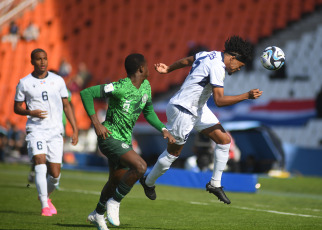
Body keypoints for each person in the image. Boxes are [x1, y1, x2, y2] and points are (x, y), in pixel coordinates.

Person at [140, 35, 263, 204]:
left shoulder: (209, 54)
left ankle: (215, 184)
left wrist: (169, 69)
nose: (238, 69)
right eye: (239, 66)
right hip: (183, 109)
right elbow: (219, 101)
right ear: (233, 58)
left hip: (198, 108)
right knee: (172, 154)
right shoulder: (218, 68)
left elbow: (187, 61)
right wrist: (246, 95)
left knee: (224, 140)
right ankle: (148, 182)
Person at [80, 53, 175, 230]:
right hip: (109, 137)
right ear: (141, 69)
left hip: (124, 140)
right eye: (146, 66)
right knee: (140, 166)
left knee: (115, 180)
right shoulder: (119, 86)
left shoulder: (146, 86)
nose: (149, 69)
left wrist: (163, 129)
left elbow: (148, 112)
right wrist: (96, 123)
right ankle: (115, 202)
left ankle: (98, 214)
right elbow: (87, 93)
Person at [14, 48, 79, 216]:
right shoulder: (24, 83)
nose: (42, 62)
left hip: (55, 131)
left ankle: (46, 196)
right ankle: (44, 204)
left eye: (44, 59)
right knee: (39, 162)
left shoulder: (58, 81)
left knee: (55, 175)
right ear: (32, 61)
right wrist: (30, 112)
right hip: (36, 129)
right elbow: (17, 107)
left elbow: (66, 105)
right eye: (38, 59)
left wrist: (75, 128)